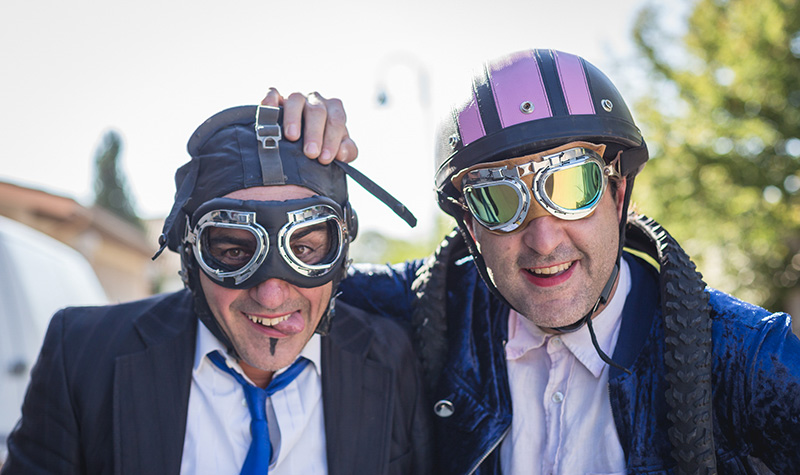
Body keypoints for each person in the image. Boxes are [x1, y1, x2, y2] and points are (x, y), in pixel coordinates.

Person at [330, 49, 800, 474]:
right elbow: (300, 286)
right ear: (471, 227)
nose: (543, 238)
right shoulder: (439, 303)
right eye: (498, 200)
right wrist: (286, 154)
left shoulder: (745, 356)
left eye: (573, 188)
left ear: (617, 196)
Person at [1, 101, 431, 474]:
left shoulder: (395, 360)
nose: (272, 296)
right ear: (188, 253)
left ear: (342, 248)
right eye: (232, 251)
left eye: (305, 247)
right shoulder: (83, 355)